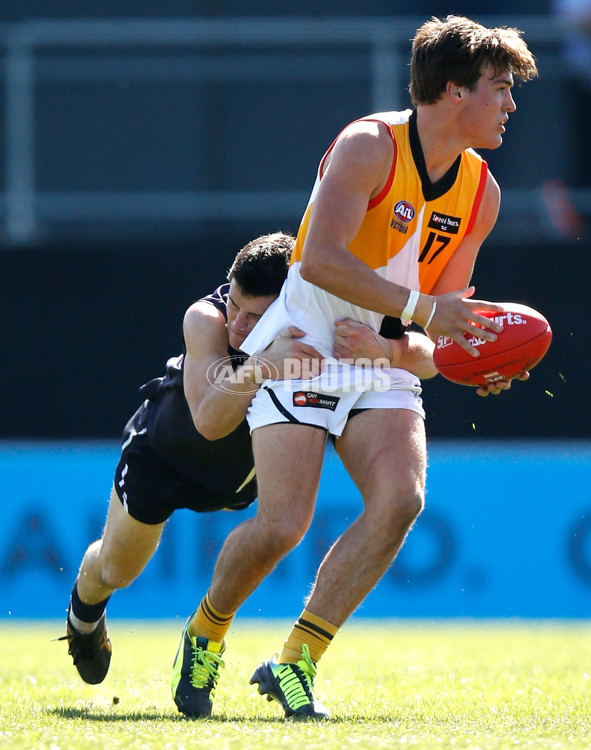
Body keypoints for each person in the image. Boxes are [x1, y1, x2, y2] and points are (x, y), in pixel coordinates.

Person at [174, 16, 538, 721]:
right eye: (500, 88)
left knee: (401, 501)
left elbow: (443, 322)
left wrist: (464, 356)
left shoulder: (481, 193)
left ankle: (297, 662)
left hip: (378, 356)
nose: (511, 105)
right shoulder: (369, 144)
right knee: (282, 525)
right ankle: (206, 632)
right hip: (306, 340)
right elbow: (318, 263)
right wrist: (426, 317)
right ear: (454, 89)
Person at [59, 232, 437, 692]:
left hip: (243, 474)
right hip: (169, 454)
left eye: (256, 315)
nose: (238, 322)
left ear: (294, 305)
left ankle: (240, 647)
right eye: (236, 304)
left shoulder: (321, 318)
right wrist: (260, 364)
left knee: (284, 526)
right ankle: (83, 618)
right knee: (116, 569)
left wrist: (392, 352)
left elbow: (424, 354)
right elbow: (208, 421)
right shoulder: (205, 319)